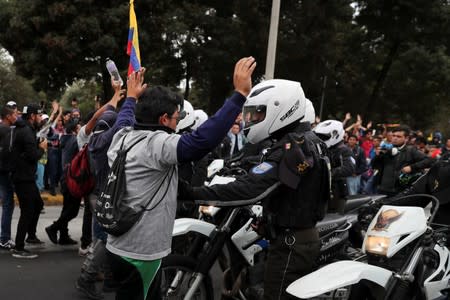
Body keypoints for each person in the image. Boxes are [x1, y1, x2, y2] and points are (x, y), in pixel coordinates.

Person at [105, 57, 256, 300]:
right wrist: (239, 95)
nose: (179, 122)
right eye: (178, 116)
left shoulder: (122, 135)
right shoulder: (156, 144)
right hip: (140, 253)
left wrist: (131, 97)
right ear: (164, 119)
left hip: (117, 245)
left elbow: (124, 116)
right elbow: (201, 142)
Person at [183, 78, 330, 300]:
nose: (252, 120)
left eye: (258, 114)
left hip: (291, 243)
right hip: (296, 237)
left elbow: (250, 190)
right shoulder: (306, 141)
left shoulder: (292, 148)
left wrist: (193, 193)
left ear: (281, 110)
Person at [75, 79, 127, 299]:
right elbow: (111, 121)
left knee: (102, 236)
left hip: (95, 194)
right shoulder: (106, 142)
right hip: (105, 195)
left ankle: (106, 277)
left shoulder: (88, 138)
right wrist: (130, 100)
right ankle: (87, 277)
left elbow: (100, 117)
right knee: (105, 240)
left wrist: (116, 97)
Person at [11, 103, 47, 258]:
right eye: (39, 115)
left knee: (37, 204)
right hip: (23, 177)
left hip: (25, 176)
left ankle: (31, 236)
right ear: (32, 116)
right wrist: (42, 148)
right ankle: (19, 247)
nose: (40, 118)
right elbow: (33, 155)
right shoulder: (26, 131)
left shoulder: (25, 128)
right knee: (28, 210)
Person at [372, 125, 434, 197]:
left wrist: (412, 167)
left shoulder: (411, 150)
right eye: (393, 136)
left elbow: (430, 161)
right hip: (383, 190)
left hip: (401, 191)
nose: (395, 138)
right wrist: (377, 156)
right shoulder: (385, 150)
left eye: (398, 136)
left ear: (406, 138)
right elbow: (373, 166)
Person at [314, 120, 354, 213]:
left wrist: (328, 173)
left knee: (333, 221)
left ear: (335, 134)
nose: (321, 139)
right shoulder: (323, 149)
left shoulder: (345, 150)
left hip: (337, 193)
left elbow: (349, 168)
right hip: (323, 192)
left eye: (324, 136)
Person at [0, 106, 18, 250]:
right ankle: (5, 238)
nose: (16, 116)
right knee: (8, 204)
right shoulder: (7, 130)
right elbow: (8, 151)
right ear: (7, 116)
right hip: (4, 172)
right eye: (14, 114)